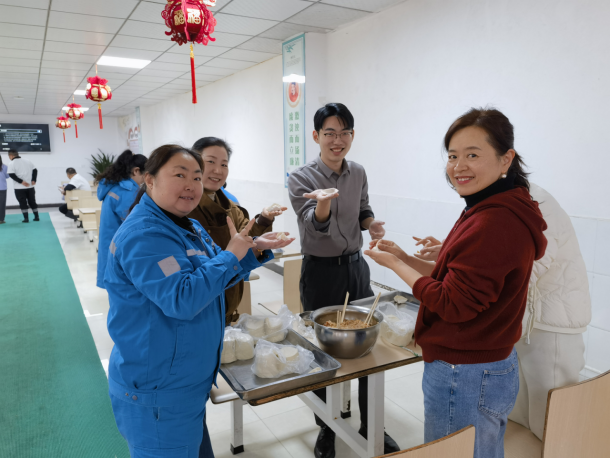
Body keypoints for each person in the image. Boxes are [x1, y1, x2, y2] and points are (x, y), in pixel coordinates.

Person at [365, 108, 547, 458]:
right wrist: (405, 257)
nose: (459, 166)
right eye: (452, 156)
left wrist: (394, 265)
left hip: (465, 373)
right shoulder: (493, 205)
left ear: (506, 158)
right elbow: (458, 278)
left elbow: (452, 302)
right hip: (487, 363)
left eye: (473, 155)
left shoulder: (494, 221)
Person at [104, 144, 293, 458]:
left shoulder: (186, 224)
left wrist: (253, 248)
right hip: (158, 392)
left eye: (196, 176)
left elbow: (217, 275)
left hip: (183, 384)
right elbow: (183, 299)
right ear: (149, 179)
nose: (191, 185)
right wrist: (232, 253)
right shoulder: (145, 235)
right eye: (180, 175)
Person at [411, 183, 592, 441]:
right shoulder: (498, 200)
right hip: (521, 322)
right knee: (516, 419)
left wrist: (469, 266)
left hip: (552, 324)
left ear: (505, 164)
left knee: (551, 419)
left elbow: (521, 267)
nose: (461, 171)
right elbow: (493, 255)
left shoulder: (527, 203)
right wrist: (453, 253)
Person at [288, 103, 399, 458]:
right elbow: (313, 223)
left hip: (356, 268)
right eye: (330, 133)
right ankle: (327, 427)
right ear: (316, 136)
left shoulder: (358, 172)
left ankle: (372, 423)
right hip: (320, 272)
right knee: (322, 350)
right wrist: (322, 202)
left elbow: (363, 208)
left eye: (344, 133)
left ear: (352, 135)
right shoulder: (301, 177)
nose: (338, 141)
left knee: (367, 345)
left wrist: (371, 224)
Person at [188, 136, 290, 324]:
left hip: (228, 300)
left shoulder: (230, 206)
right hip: (197, 307)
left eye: (224, 164)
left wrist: (264, 218)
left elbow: (246, 237)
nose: (218, 170)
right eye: (210, 162)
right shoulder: (184, 207)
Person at [96, 150, 147, 289]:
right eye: (146, 174)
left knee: (115, 286)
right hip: (121, 247)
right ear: (136, 171)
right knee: (124, 288)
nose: (146, 179)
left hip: (111, 242)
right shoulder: (127, 191)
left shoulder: (115, 187)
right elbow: (134, 224)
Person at [7, 150, 38, 223]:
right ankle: (37, 217)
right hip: (30, 187)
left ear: (11, 156)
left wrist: (21, 181)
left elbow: (11, 174)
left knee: (22, 202)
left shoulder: (11, 163)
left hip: (19, 188)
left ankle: (26, 219)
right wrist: (34, 179)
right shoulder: (28, 161)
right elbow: (35, 170)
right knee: (32, 201)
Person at [0, 155, 8, 224]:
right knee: (2, 204)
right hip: (2, 188)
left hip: (2, 188)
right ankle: (1, 219)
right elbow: (7, 176)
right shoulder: (4, 167)